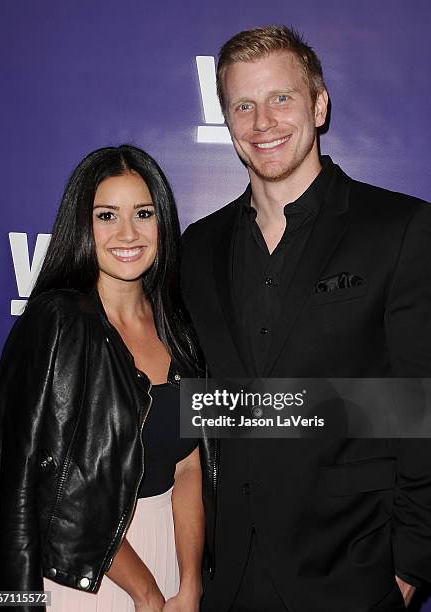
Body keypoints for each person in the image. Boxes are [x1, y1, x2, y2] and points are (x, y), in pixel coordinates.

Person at [181, 26, 431, 612]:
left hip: (352, 567)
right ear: (227, 120)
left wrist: (410, 562)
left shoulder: (398, 230)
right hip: (232, 571)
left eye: (281, 98)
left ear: (319, 105)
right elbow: (205, 399)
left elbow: (419, 403)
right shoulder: (198, 246)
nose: (262, 121)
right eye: (243, 104)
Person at [0, 145, 204, 612]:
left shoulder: (177, 326)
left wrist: (189, 584)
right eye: (107, 215)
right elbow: (47, 489)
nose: (128, 232)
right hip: (84, 573)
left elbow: (188, 467)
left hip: (167, 560)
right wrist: (145, 592)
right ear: (83, 226)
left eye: (143, 213)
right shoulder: (57, 321)